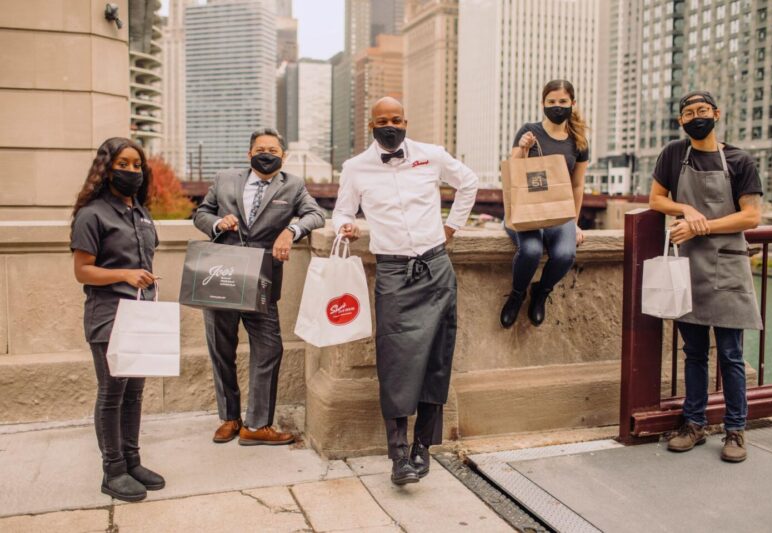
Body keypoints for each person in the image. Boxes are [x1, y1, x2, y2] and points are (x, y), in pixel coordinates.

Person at [333, 97, 478, 485]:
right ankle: (398, 456)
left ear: (406, 121)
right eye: (383, 121)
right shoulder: (355, 167)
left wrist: (452, 228)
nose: (390, 125)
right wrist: (345, 226)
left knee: (436, 357)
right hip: (393, 273)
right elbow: (342, 211)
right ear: (372, 126)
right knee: (394, 363)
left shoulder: (431, 155)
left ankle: (422, 449)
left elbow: (469, 182)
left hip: (435, 268)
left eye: (396, 119)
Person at [650, 91, 763, 463]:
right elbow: (656, 200)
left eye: (702, 111)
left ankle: (735, 430)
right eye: (688, 113)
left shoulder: (739, 160)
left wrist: (701, 226)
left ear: (717, 114)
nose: (696, 117)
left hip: (727, 263)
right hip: (688, 266)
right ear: (681, 121)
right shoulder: (672, 154)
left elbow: (750, 217)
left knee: (731, 355)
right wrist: (684, 207)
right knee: (694, 353)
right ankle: (694, 423)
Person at [194, 128, 325, 446]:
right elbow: (201, 212)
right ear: (249, 153)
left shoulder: (292, 186)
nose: (267, 153)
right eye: (260, 148)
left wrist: (291, 231)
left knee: (269, 348)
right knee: (221, 349)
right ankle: (229, 418)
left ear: (284, 156)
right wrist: (216, 223)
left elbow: (316, 214)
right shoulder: (225, 179)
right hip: (223, 274)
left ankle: (257, 424)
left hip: (262, 280)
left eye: (274, 150)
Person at [71, 137, 164, 502]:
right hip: (109, 316)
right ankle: (113, 470)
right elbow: (82, 271)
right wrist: (125, 274)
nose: (131, 171)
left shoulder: (141, 212)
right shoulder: (91, 214)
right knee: (112, 393)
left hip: (140, 314)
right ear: (106, 168)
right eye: (123, 164)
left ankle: (131, 459)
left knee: (135, 394)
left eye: (136, 165)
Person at [500, 79, 590, 328]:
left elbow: (577, 185)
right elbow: (511, 170)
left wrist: (574, 222)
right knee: (530, 251)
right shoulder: (529, 131)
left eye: (563, 102)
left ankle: (541, 292)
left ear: (572, 103)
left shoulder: (578, 141)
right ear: (543, 104)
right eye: (551, 102)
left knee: (565, 254)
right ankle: (518, 295)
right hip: (524, 208)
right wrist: (521, 148)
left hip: (558, 211)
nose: (557, 106)